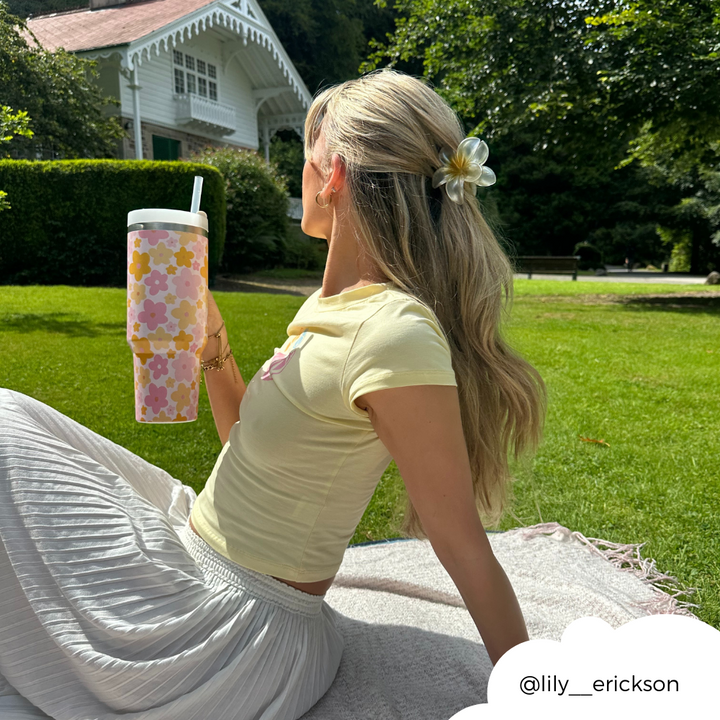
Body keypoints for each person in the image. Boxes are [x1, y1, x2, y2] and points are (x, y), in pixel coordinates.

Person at [0, 69, 546, 720]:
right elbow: (249, 447)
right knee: (24, 421)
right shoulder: (334, 308)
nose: (300, 178)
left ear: (335, 173)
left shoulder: (393, 332)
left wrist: (536, 695)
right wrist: (214, 342)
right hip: (205, 547)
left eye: (306, 161)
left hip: (230, 631)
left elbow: (461, 543)